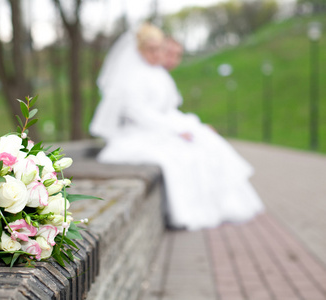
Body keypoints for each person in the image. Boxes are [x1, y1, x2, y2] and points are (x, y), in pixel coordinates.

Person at [90, 23, 264, 230]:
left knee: (208, 142)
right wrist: (175, 130)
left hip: (161, 127)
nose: (156, 55)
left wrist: (192, 125)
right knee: (180, 157)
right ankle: (188, 211)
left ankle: (221, 204)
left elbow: (169, 110)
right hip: (141, 132)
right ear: (139, 49)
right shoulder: (132, 77)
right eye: (151, 50)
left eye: (159, 49)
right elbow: (138, 113)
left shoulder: (159, 74)